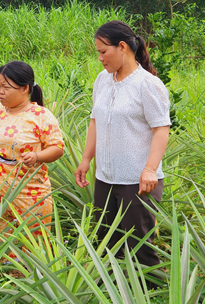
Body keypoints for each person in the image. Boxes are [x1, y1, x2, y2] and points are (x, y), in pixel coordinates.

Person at [74, 20, 170, 279]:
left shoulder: (147, 84)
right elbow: (95, 120)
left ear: (123, 47)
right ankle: (113, 291)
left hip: (138, 180)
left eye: (103, 51)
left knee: (139, 247)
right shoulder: (102, 81)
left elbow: (161, 129)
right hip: (105, 177)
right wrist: (86, 159)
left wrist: (150, 169)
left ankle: (151, 291)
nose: (100, 58)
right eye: (98, 52)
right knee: (105, 241)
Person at [0, 61, 65, 239]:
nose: (0, 91)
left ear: (25, 89)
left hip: (31, 193)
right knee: (0, 241)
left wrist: (37, 156)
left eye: (6, 87)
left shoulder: (41, 116)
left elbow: (57, 148)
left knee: (33, 243)